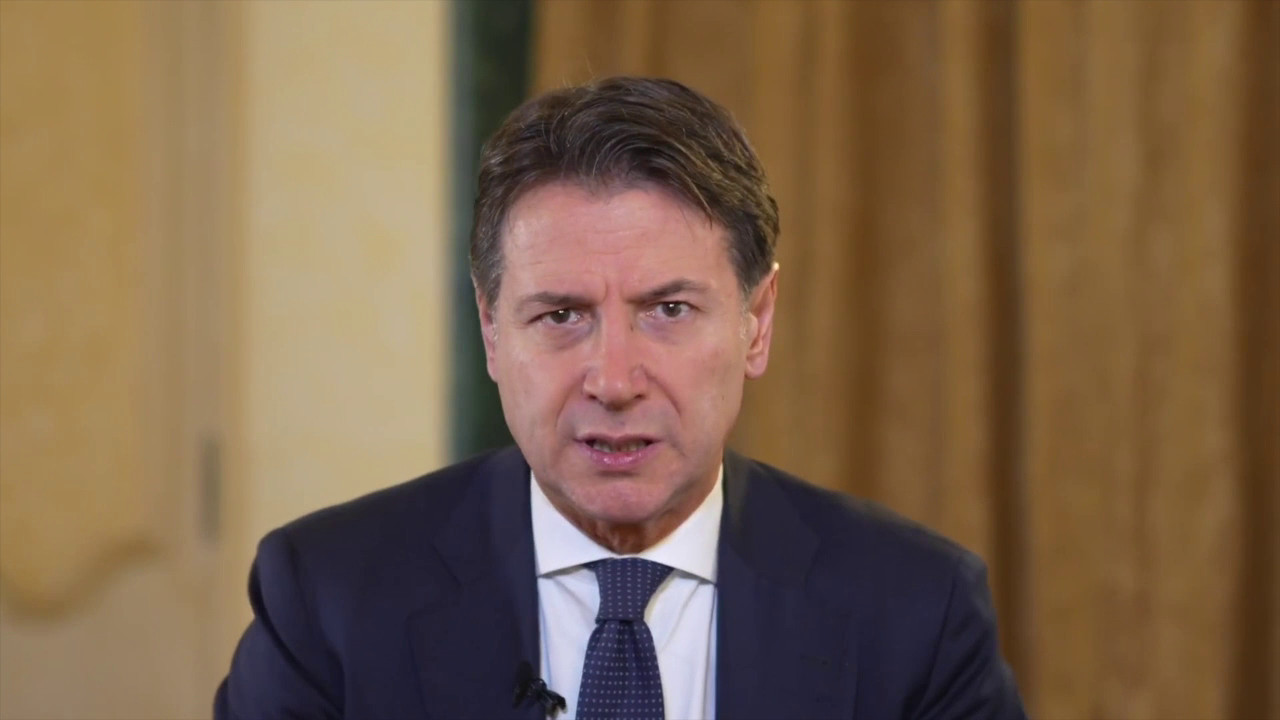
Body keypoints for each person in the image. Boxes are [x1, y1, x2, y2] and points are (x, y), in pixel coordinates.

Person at [215, 76, 1026, 720]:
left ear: (756, 323)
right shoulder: (328, 598)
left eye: (668, 310)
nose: (613, 380)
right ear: (491, 331)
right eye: (561, 316)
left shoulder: (916, 611)